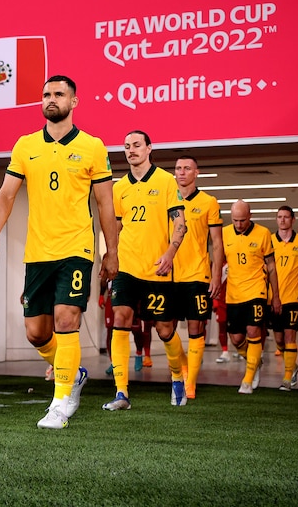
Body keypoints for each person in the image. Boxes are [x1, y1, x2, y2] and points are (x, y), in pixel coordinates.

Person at [0, 75, 119, 429]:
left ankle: (60, 403)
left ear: (74, 102)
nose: (51, 99)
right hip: (37, 251)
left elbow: (105, 203)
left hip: (76, 247)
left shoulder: (92, 146)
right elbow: (6, 195)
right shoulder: (25, 146)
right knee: (37, 333)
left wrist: (111, 251)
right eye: (46, 94)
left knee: (66, 320)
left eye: (59, 94)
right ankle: (74, 372)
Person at [103, 130, 186, 410]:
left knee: (164, 330)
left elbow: (180, 223)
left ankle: (177, 376)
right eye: (126, 146)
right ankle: (121, 392)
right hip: (126, 266)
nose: (131, 150)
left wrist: (170, 252)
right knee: (120, 320)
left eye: (137, 145)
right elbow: (115, 226)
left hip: (156, 269)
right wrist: (109, 256)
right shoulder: (118, 188)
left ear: (149, 148)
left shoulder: (165, 181)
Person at [173, 155, 223, 399]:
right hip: (168, 275)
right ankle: (183, 366)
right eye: (178, 168)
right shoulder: (167, 199)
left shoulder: (208, 202)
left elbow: (217, 243)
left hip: (197, 275)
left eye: (187, 168)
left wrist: (216, 276)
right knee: (166, 330)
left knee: (195, 328)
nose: (182, 172)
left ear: (197, 172)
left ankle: (190, 382)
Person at [222, 199, 280, 394]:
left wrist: (276, 296)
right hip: (233, 294)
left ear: (250, 217)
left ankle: (247, 380)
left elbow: (271, 267)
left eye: (243, 220)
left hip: (256, 291)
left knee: (254, 331)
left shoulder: (263, 234)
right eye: (235, 220)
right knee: (236, 339)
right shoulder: (224, 233)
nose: (239, 225)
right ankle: (254, 362)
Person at [269, 205, 298, 391]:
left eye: (286, 217)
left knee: (290, 336)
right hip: (273, 298)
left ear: (293, 220)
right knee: (279, 341)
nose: (282, 220)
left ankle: (287, 377)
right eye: (279, 217)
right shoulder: (270, 241)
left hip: (294, 298)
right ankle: (293, 366)